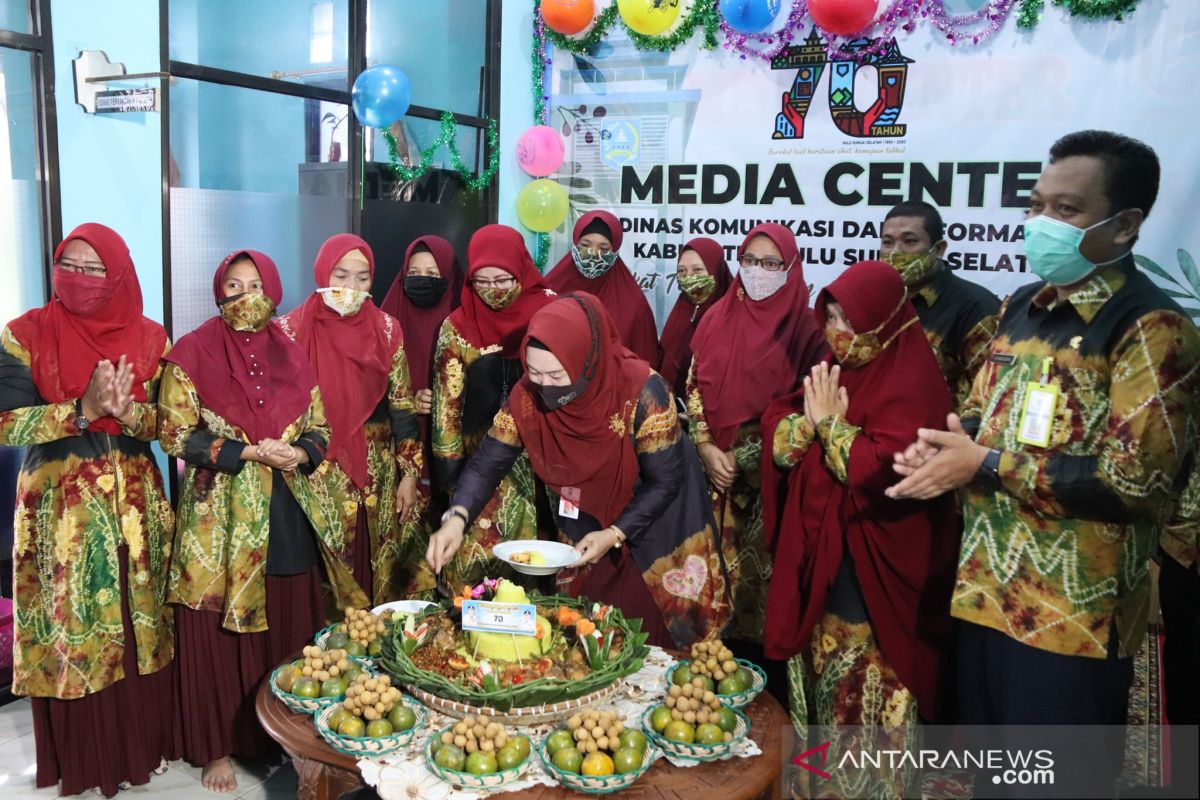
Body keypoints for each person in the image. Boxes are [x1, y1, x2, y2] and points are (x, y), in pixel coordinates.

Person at [888, 131, 1200, 795]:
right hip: (984, 596)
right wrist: (942, 445)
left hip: (1072, 621)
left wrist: (982, 463)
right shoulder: (1020, 307)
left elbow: (1135, 484)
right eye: (1036, 205)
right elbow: (980, 413)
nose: (1042, 224)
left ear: (1126, 225)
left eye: (1067, 210)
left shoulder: (1150, 328)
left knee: (1056, 783)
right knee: (995, 777)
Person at [160, 250, 366, 793]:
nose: (245, 296)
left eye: (256, 285)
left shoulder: (292, 353)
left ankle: (286, 737)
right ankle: (215, 749)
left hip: (285, 506)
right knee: (217, 632)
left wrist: (300, 454)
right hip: (218, 518)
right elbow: (176, 433)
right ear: (217, 291)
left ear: (274, 292)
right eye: (233, 285)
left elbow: (320, 427)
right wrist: (247, 453)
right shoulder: (191, 353)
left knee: (287, 617)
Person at [427, 293, 729, 649]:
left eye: (557, 374)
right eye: (535, 372)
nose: (546, 386)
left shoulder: (645, 391)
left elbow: (664, 482)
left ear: (587, 360)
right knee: (589, 633)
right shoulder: (528, 396)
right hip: (584, 518)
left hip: (657, 527)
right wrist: (456, 519)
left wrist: (616, 533)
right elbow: (487, 462)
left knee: (648, 637)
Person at [761, 260, 958, 799]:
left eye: (852, 321)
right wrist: (808, 422)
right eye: (831, 317)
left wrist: (829, 426)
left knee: (866, 687)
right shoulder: (832, 366)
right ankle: (815, 783)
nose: (839, 333)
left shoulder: (914, 382)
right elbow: (780, 442)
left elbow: (882, 470)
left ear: (889, 321)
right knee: (819, 675)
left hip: (879, 568)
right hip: (822, 558)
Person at [1, 223, 179, 797]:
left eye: (93, 267)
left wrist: (129, 415)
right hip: (59, 519)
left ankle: (139, 748)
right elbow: (6, 424)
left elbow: (173, 427)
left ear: (120, 273)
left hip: (135, 511)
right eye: (67, 265)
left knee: (133, 622)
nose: (77, 277)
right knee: (71, 631)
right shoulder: (24, 334)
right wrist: (80, 409)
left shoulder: (154, 340)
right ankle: (86, 762)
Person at [685, 224, 827, 676]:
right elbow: (693, 386)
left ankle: (766, 694)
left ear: (790, 268)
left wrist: (747, 457)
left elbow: (813, 408)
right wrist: (706, 447)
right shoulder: (715, 318)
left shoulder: (809, 331)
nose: (758, 272)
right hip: (714, 480)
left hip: (775, 484)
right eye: (749, 261)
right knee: (709, 592)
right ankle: (711, 679)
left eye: (771, 264)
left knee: (763, 597)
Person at [407, 225, 552, 597]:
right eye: (481, 280)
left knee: (547, 578)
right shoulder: (456, 328)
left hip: (547, 474)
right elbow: (446, 417)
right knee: (478, 583)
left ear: (521, 269)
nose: (493, 289)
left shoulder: (553, 314)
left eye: (503, 278)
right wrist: (453, 488)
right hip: (482, 478)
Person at [278, 234, 422, 603]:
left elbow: (403, 405)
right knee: (323, 570)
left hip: (379, 470)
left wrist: (409, 473)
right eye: (341, 275)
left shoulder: (387, 329)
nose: (350, 287)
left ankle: (379, 649)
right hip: (314, 469)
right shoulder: (289, 331)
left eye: (363, 278)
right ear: (323, 272)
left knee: (380, 565)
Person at [880, 201, 1000, 410]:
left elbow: (990, 397)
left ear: (939, 249)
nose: (895, 253)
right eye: (887, 242)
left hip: (943, 437)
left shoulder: (975, 308)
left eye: (909, 242)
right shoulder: (879, 299)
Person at [380, 236, 464, 514]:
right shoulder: (385, 323)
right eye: (413, 273)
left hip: (458, 454)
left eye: (432, 273)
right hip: (400, 450)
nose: (422, 279)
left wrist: (452, 399)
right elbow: (367, 389)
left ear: (449, 277)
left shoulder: (465, 319)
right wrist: (407, 399)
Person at [545, 210, 660, 365]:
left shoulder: (633, 303)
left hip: (613, 386)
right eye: (585, 245)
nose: (593, 254)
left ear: (615, 251)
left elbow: (645, 360)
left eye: (604, 249)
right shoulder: (551, 288)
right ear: (575, 245)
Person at [657, 237, 732, 400]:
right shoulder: (680, 313)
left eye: (697, 270)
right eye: (682, 271)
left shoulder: (732, 318)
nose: (689, 277)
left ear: (716, 272)